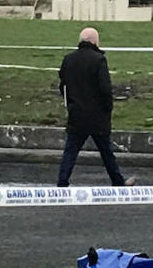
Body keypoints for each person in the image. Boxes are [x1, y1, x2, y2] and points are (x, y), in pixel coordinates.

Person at [57, 27, 135, 188]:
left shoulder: (68, 59)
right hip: (97, 115)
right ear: (94, 41)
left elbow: (63, 86)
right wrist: (108, 108)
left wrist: (70, 104)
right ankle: (117, 181)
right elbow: (105, 88)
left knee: (70, 151)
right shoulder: (99, 60)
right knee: (106, 152)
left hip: (76, 113)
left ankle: (62, 181)